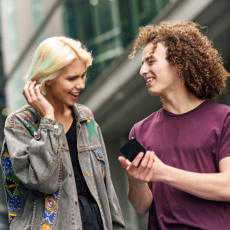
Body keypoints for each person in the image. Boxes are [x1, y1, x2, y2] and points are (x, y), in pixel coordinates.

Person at [1, 36, 125, 230]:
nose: (81, 85)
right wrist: (49, 121)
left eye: (83, 76)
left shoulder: (86, 118)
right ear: (48, 78)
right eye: (72, 78)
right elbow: (44, 182)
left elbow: (106, 187)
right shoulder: (19, 123)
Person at [118, 20, 230, 230]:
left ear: (178, 62)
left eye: (151, 61)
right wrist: (137, 180)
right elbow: (142, 206)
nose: (143, 70)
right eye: (143, 63)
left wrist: (163, 173)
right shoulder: (140, 131)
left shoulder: (225, 119)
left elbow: (228, 186)